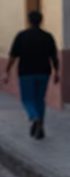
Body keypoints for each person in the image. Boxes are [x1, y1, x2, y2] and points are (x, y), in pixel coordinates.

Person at [3, 11, 60, 140]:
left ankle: (35, 117)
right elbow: (54, 57)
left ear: (28, 21)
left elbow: (12, 56)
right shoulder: (48, 36)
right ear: (41, 21)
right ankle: (40, 126)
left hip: (26, 73)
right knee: (40, 99)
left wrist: (7, 71)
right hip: (44, 72)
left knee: (27, 99)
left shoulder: (22, 36)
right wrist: (57, 72)